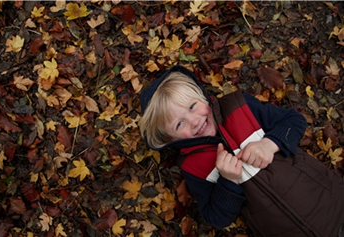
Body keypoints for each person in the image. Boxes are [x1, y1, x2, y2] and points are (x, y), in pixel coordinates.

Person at [139, 65, 344, 237]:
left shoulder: (239, 106)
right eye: (179, 124)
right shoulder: (193, 167)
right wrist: (228, 181)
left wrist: (269, 144)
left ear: (202, 96)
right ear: (170, 140)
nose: (194, 122)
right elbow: (215, 217)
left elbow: (294, 121)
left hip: (332, 200)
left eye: (193, 106)